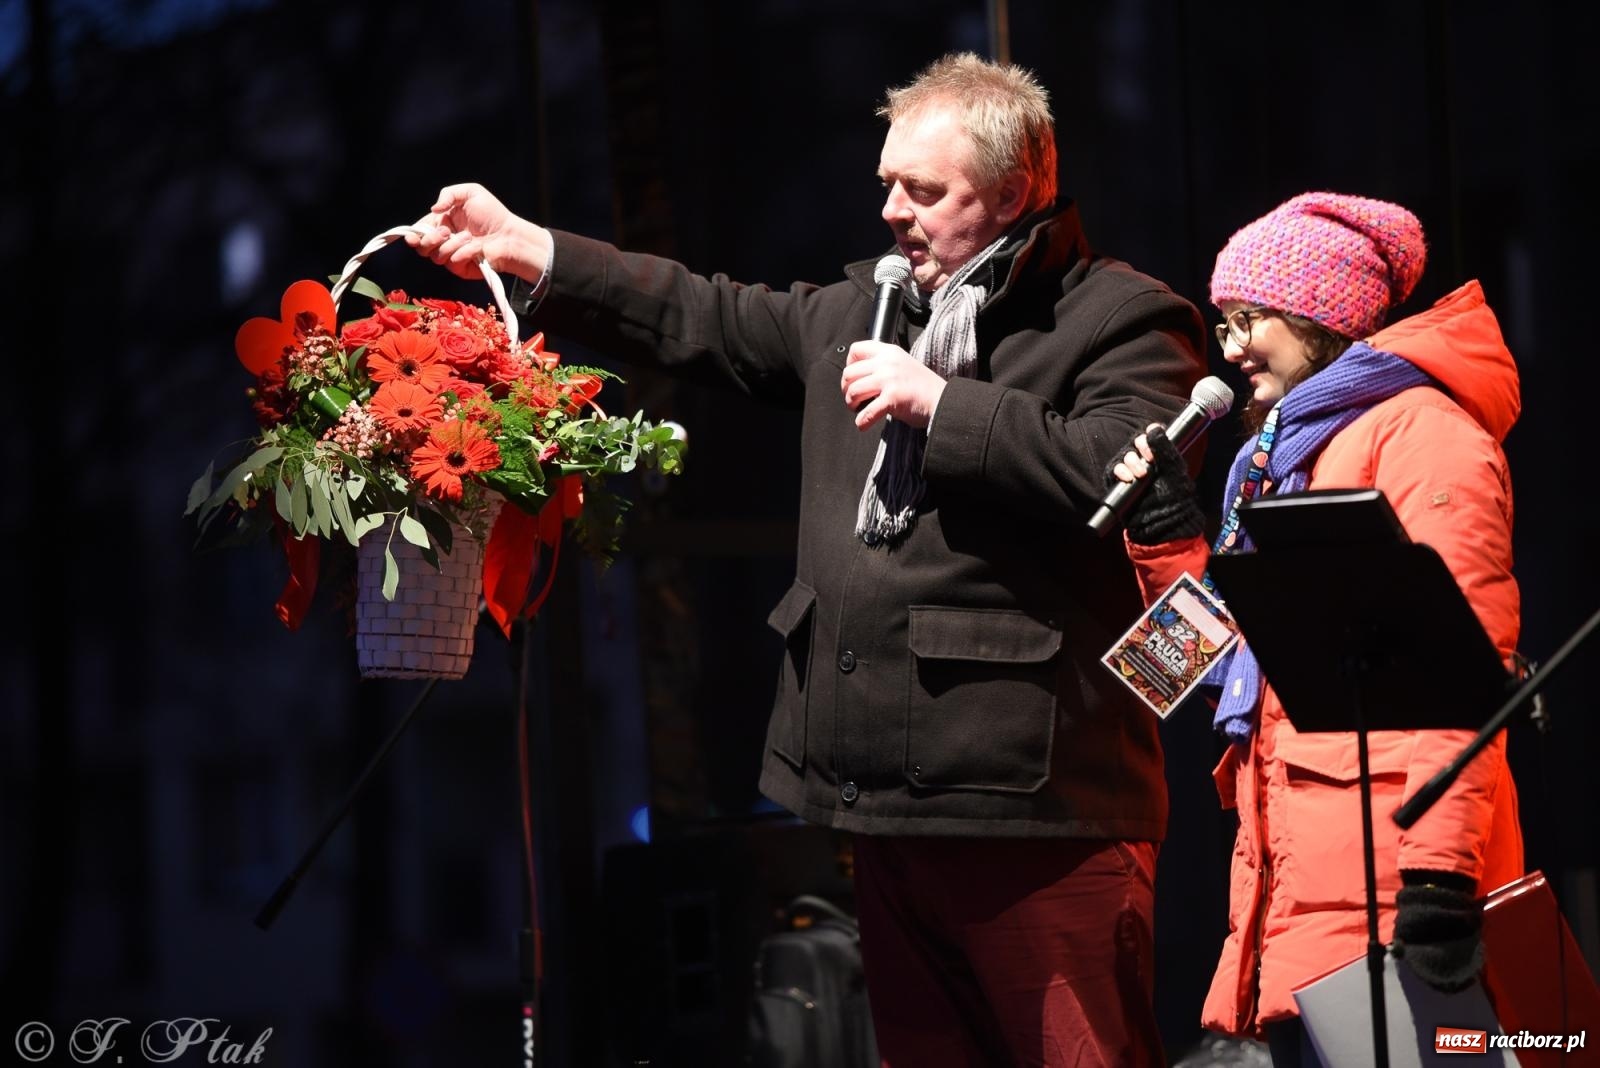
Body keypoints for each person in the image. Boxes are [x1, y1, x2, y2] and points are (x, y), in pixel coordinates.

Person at [412, 53, 1206, 1066]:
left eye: (924, 190)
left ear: (1012, 195)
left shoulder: (1120, 317)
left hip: (1038, 816)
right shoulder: (866, 310)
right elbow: (700, 313)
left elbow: (1125, 469)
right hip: (879, 807)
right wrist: (526, 246)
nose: (891, 210)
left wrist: (941, 405)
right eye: (887, 182)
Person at [1107, 192, 1524, 1065]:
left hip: (1388, 887)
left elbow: (1460, 676)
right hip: (1299, 876)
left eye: (1247, 319)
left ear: (1318, 314)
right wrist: (1169, 539)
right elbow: (1229, 667)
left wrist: (1439, 877)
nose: (1228, 348)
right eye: (1224, 322)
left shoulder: (1423, 437)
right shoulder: (1284, 456)